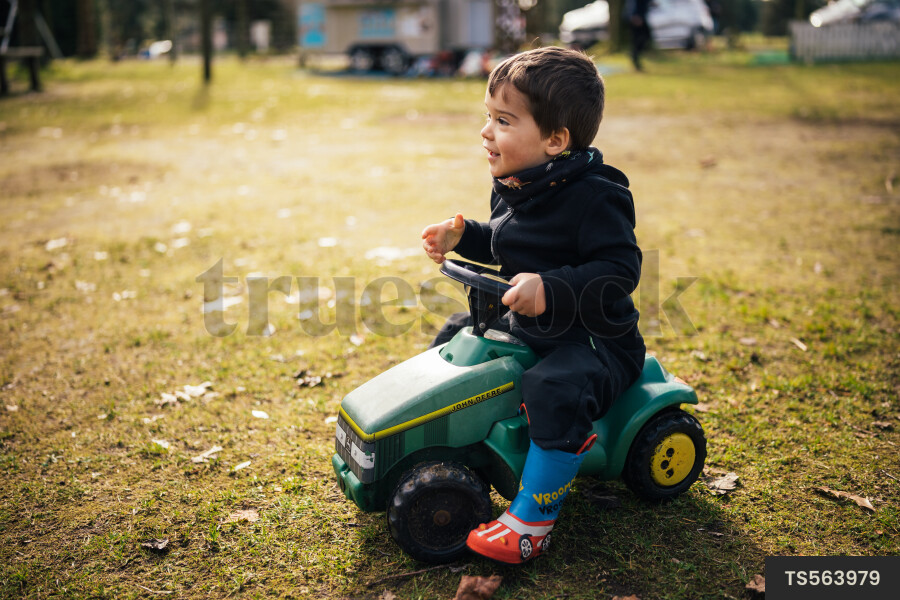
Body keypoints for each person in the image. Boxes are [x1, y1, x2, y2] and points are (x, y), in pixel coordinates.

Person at [420, 46, 645, 564]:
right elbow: (507, 241)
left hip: (592, 342)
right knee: (460, 335)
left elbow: (619, 272)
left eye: (503, 120)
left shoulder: (596, 198)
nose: (485, 131)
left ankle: (532, 521)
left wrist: (552, 287)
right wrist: (463, 236)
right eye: (487, 117)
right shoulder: (519, 183)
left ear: (554, 140)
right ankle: (454, 449)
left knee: (555, 385)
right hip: (531, 327)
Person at [629, 0, 653, 71]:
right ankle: (634, 56)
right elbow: (634, 4)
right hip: (637, 17)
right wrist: (636, 15)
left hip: (641, 16)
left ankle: (635, 56)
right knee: (639, 39)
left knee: (645, 36)